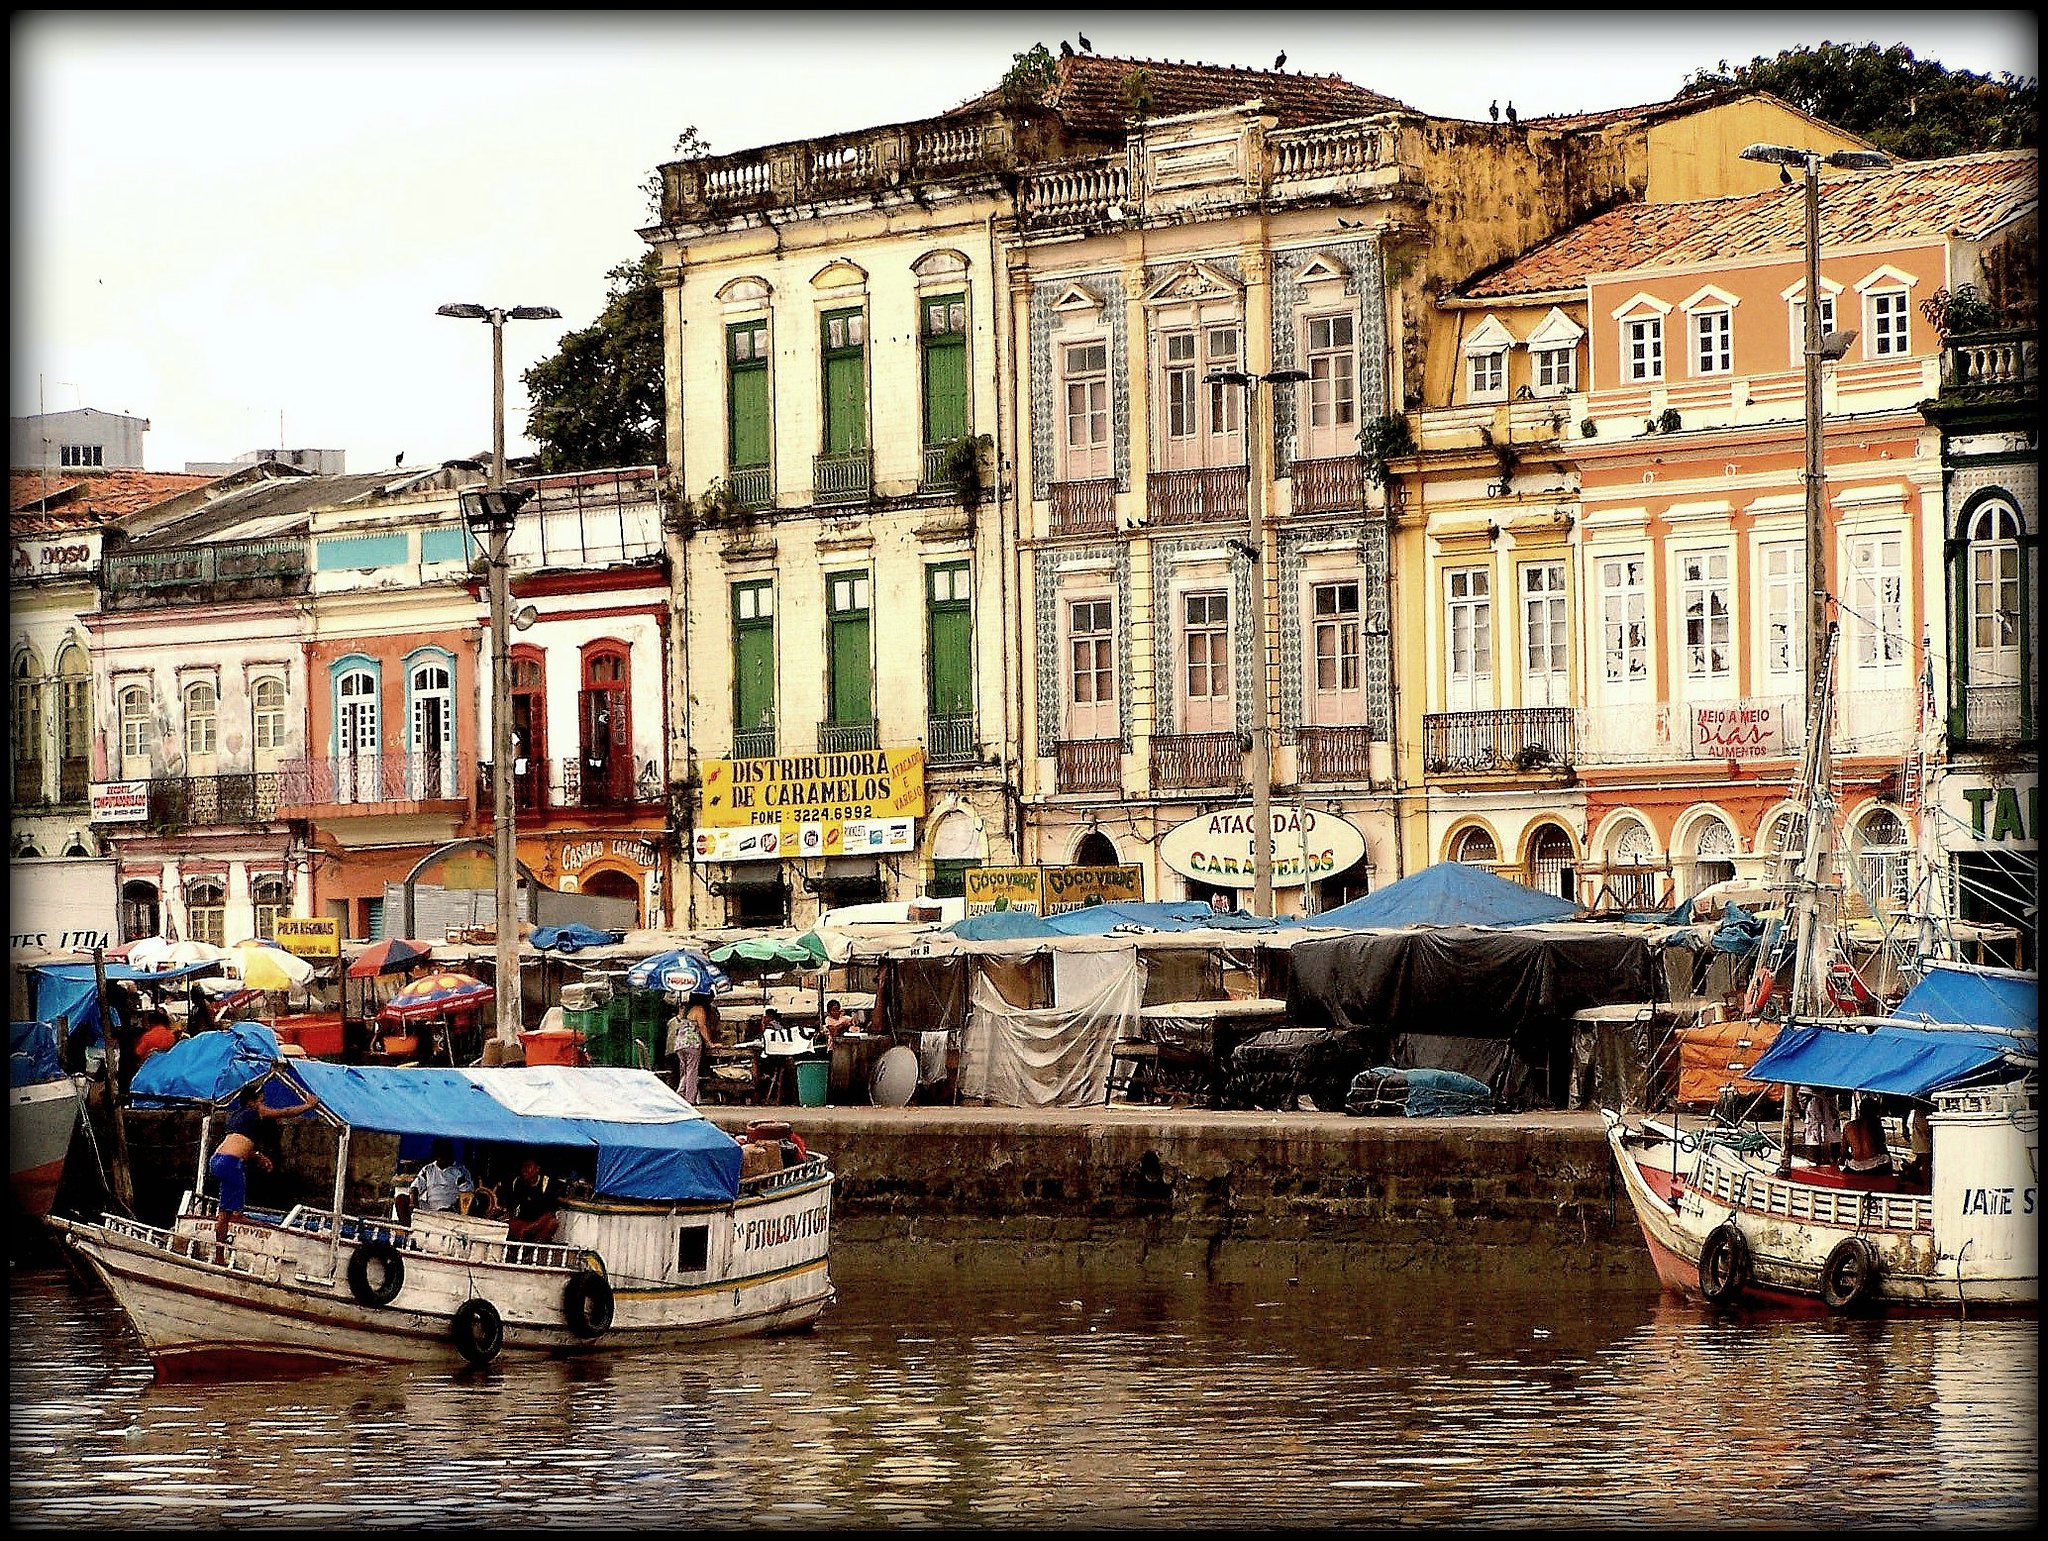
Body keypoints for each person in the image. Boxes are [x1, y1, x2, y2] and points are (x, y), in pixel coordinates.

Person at [211, 1082, 319, 1257]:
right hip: (232, 1163)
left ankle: (219, 1255)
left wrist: (259, 1156)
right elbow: (285, 1112)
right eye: (260, 1098)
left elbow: (239, 1144)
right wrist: (309, 1105)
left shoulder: (235, 1116)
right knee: (233, 1213)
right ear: (252, 1102)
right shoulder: (256, 1111)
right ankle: (240, 1219)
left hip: (218, 1159)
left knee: (224, 1213)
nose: (263, 1101)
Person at [409, 1138, 476, 1215]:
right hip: (429, 1208)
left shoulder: (461, 1170)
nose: (442, 1157)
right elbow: (414, 1188)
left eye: (445, 1153)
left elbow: (468, 1194)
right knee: (401, 1199)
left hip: (451, 1210)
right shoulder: (428, 1169)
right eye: (440, 1154)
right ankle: (409, 1225)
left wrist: (453, 1208)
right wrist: (413, 1201)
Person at [503, 1154, 560, 1244]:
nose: (524, 1170)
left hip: (539, 1223)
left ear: (537, 1169)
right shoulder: (517, 1182)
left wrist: (528, 1228)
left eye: (528, 1167)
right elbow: (511, 1209)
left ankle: (534, 1249)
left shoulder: (547, 1184)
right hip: (523, 1221)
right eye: (523, 1167)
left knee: (552, 1223)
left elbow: (549, 1214)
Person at [1841, 1096, 1893, 1178]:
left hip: (1854, 1167)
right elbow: (1881, 1146)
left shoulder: (1848, 1126)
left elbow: (1843, 1151)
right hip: (1873, 1167)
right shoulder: (1874, 1125)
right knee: (1886, 1156)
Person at [1795, 1085, 1842, 1166]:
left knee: (1832, 1126)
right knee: (1813, 1128)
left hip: (1828, 1089)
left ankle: (1835, 1159)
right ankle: (1813, 1159)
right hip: (1810, 1091)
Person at [668, 996, 704, 1102]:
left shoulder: (685, 1011)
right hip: (692, 1044)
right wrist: (710, 1043)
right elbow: (703, 1027)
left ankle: (680, 1095)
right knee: (692, 1072)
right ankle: (689, 1099)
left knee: (684, 1071)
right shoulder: (699, 1009)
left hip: (680, 1044)